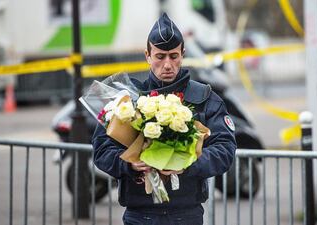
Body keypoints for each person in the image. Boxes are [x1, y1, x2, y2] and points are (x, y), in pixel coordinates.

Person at [92, 13, 236, 225]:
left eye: (173, 56)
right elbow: (102, 148)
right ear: (147, 56)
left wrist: (188, 164)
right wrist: (130, 165)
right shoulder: (129, 98)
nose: (167, 64)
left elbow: (225, 149)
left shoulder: (204, 98)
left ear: (183, 54)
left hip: (187, 215)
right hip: (140, 215)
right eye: (160, 56)